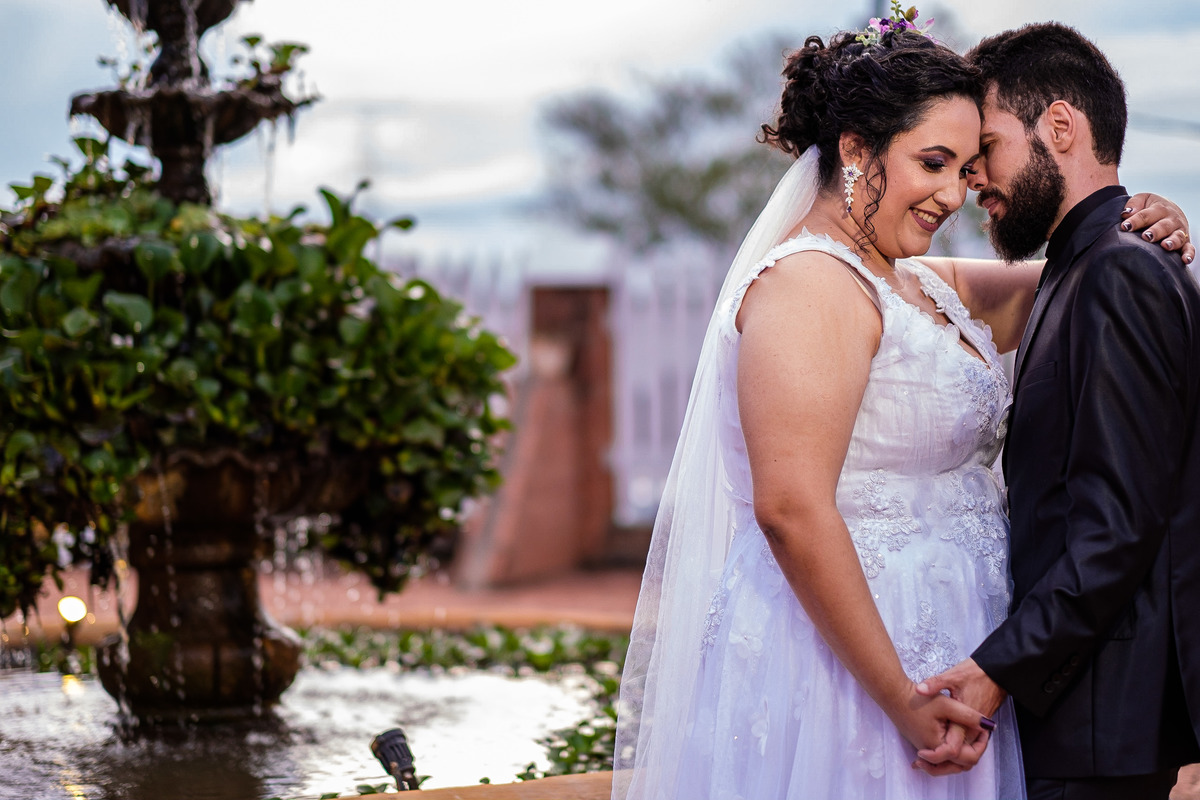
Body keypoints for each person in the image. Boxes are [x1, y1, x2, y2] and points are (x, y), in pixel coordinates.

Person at [610, 13, 1194, 800]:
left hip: (976, 656)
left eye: (968, 165)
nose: (958, 192)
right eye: (936, 163)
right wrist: (897, 698)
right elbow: (790, 508)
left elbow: (1089, 274)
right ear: (856, 151)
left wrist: (1143, 215)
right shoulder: (808, 287)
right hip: (857, 666)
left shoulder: (923, 283)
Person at [913, 22, 1200, 800]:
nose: (973, 181)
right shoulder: (1078, 268)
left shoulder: (1117, 272)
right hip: (1082, 706)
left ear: (1061, 126)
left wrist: (999, 668)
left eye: (987, 150)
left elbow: (1118, 526)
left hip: (1100, 714)